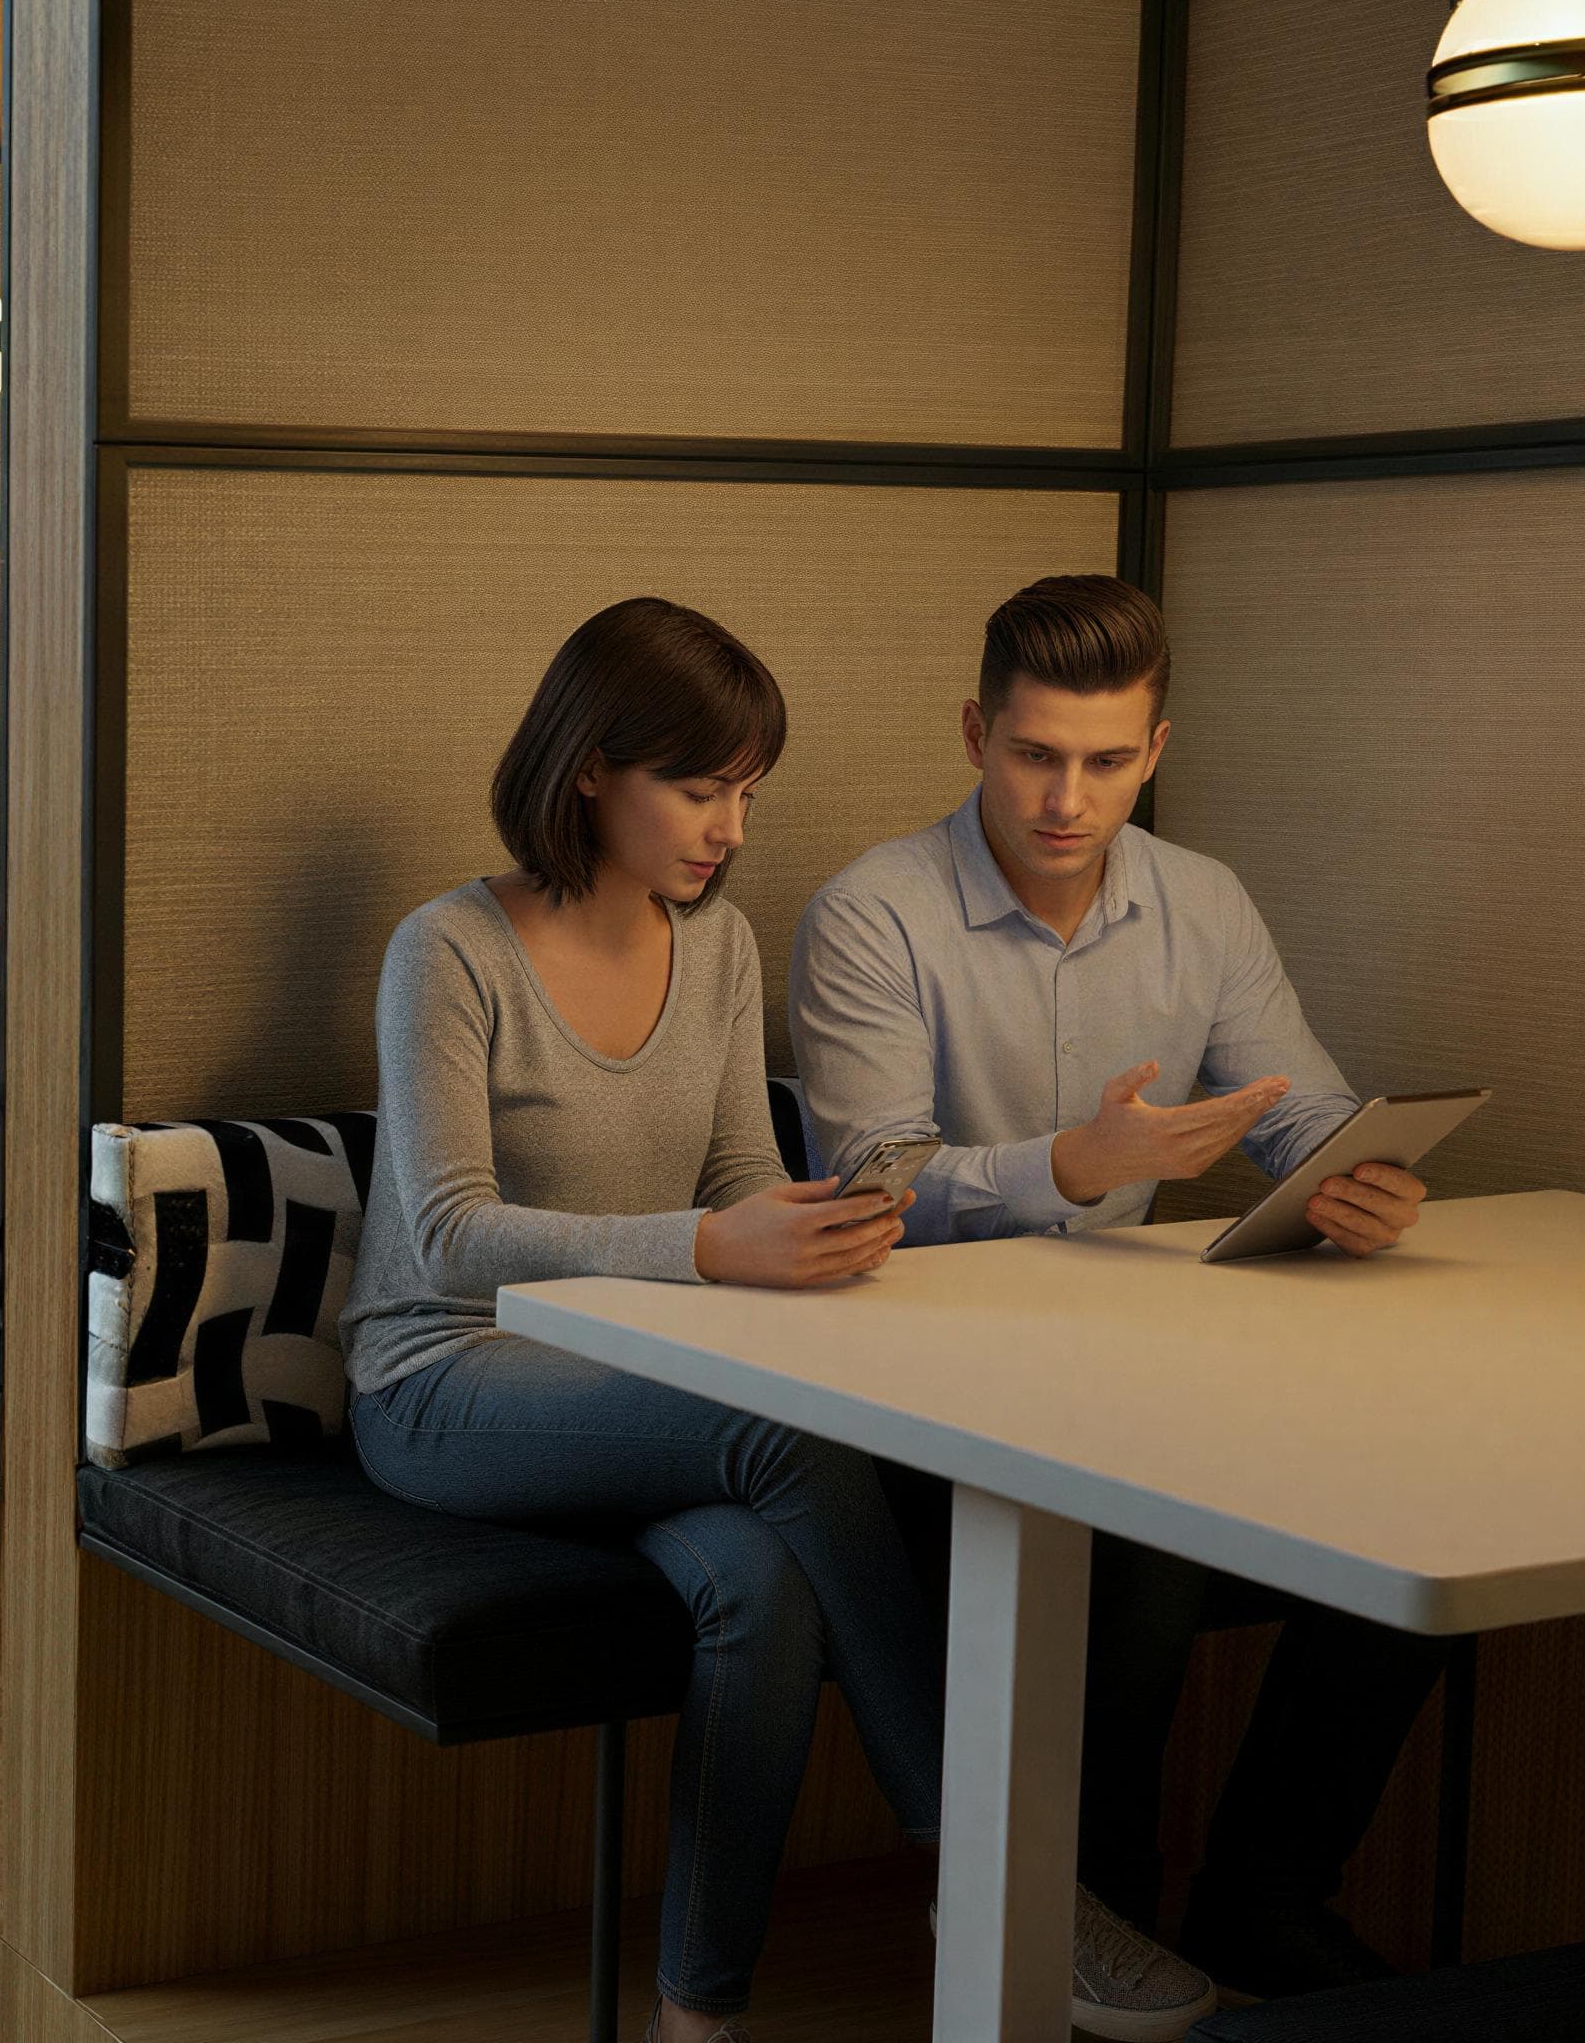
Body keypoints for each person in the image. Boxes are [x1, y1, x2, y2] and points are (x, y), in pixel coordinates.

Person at [341, 597, 1185, 2043]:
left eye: (745, 791)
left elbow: (737, 1177)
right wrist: (712, 1248)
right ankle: (983, 1871)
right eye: (697, 786)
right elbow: (448, 1237)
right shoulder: (449, 950)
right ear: (591, 767)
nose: (729, 825)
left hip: (645, 1383)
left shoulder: (717, 943)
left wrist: (823, 1222)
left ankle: (696, 2014)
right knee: (782, 1440)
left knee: (759, 1585)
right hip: (447, 1379)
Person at [790, 573, 1450, 2005]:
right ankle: (1086, 1925)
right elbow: (870, 1181)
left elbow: (1297, 1104)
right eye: (1034, 754)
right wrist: (1071, 1170)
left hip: (1133, 1350)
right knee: (1139, 1534)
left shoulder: (1201, 900)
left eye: (1104, 761)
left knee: (1414, 1505)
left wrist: (1351, 1177)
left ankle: (1262, 1902)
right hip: (920, 1372)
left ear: (1154, 750)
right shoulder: (872, 913)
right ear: (976, 733)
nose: (1065, 799)